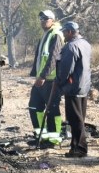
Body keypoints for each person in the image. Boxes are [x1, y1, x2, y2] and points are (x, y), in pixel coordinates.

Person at [55, 21, 92, 158]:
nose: (63, 35)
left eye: (64, 32)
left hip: (73, 87)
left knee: (75, 118)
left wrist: (59, 82)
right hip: (84, 86)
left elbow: (66, 69)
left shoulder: (71, 47)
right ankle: (77, 147)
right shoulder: (86, 44)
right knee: (80, 118)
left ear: (70, 32)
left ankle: (79, 149)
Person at [28, 9, 64, 146]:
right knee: (34, 107)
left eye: (46, 18)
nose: (43, 21)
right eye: (41, 18)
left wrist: (43, 76)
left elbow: (53, 58)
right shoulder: (46, 34)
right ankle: (41, 136)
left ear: (52, 20)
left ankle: (54, 140)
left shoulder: (56, 35)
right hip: (41, 79)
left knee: (52, 109)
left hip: (50, 80)